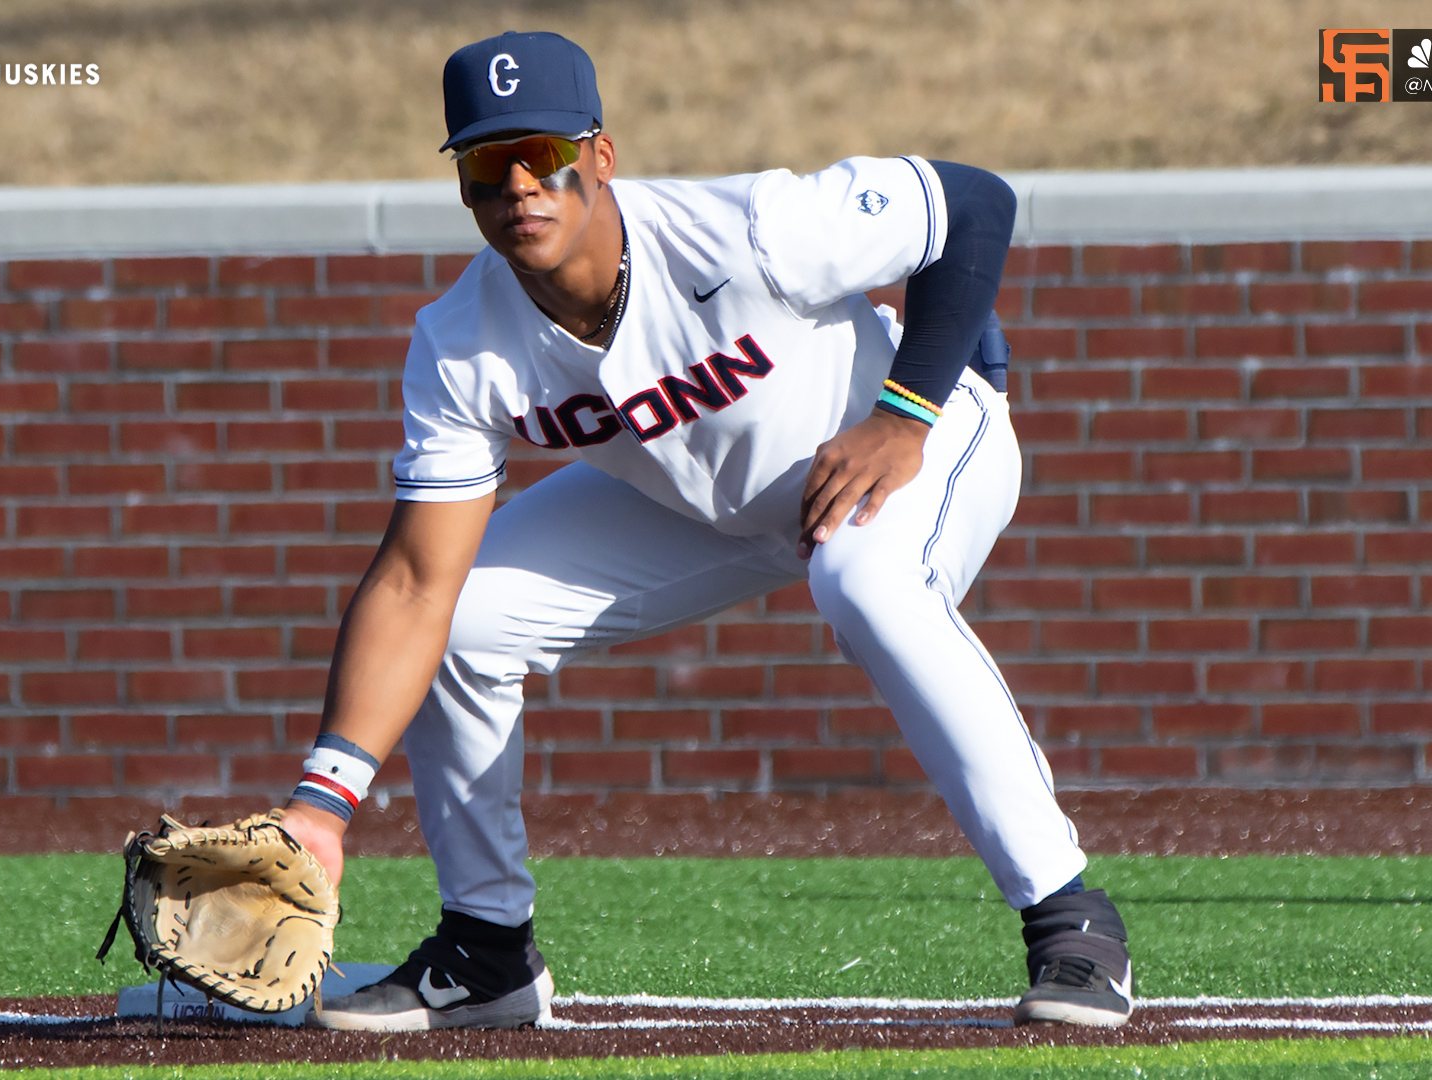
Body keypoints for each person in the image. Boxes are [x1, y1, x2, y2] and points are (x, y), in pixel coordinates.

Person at [278, 30, 1133, 1032]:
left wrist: (905, 413)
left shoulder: (749, 227)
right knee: (463, 615)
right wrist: (321, 805)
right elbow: (416, 583)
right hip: (704, 499)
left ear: (600, 156)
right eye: (485, 165)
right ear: (462, 187)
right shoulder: (462, 345)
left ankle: (1072, 918)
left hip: (915, 439)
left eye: (542, 155)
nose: (519, 185)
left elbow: (973, 203)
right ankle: (487, 948)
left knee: (864, 581)